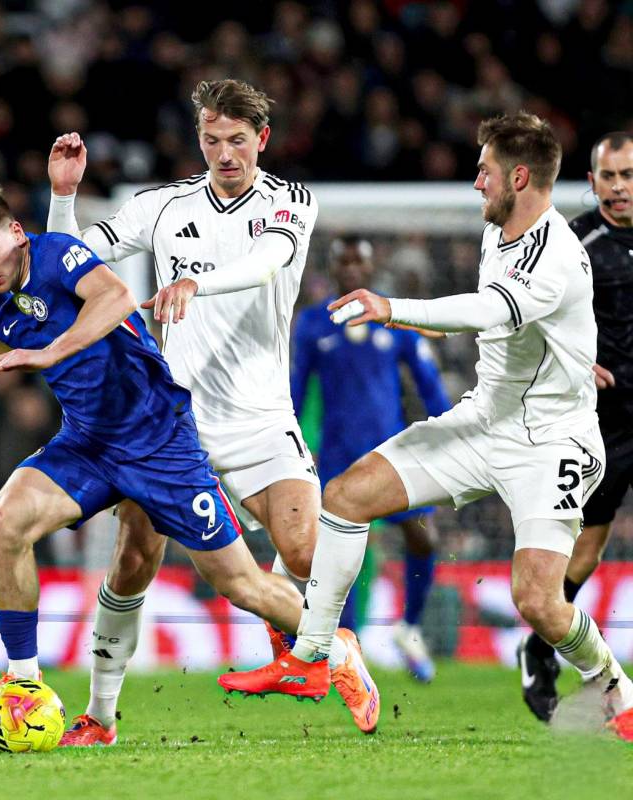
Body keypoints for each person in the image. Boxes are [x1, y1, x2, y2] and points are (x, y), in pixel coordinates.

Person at [0, 181, 329, 741]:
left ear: (16, 233)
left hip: (159, 442)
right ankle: (24, 681)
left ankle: (336, 649)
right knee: (5, 521)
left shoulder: (57, 254)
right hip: (89, 445)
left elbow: (115, 298)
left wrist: (50, 351)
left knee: (238, 583)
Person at [218, 112, 633, 741]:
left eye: (485, 171)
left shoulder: (556, 253)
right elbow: (496, 322)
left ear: (519, 178)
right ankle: (311, 656)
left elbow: (489, 309)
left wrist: (392, 308)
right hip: (483, 422)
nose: (476, 183)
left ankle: (611, 680)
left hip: (552, 445)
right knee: (346, 496)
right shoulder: (499, 232)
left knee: (538, 601)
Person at [47, 78, 379, 744]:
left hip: (261, 420)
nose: (224, 153)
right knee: (133, 561)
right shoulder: (161, 206)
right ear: (198, 139)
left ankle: (322, 651)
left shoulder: (290, 201)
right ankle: (101, 716)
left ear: (262, 139)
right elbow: (66, 262)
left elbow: (266, 264)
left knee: (304, 551)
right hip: (174, 426)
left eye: (237, 140)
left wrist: (195, 282)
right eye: (211, 139)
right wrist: (63, 197)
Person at [291, 235, 450, 681]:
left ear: (370, 266)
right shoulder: (313, 324)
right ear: (333, 267)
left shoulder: (391, 317)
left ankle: (410, 629)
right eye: (343, 262)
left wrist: (450, 427)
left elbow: (427, 379)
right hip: (339, 459)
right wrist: (292, 444)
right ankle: (348, 649)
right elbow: (297, 391)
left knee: (424, 539)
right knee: (345, 558)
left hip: (390, 456)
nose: (351, 269)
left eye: (358, 261)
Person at [518, 131, 633, 722]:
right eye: (608, 176)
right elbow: (528, 312)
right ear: (591, 182)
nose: (619, 186)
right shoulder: (572, 242)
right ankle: (541, 648)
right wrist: (573, 356)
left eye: (628, 175)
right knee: (583, 554)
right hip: (603, 422)